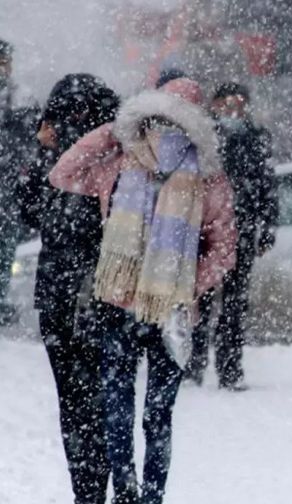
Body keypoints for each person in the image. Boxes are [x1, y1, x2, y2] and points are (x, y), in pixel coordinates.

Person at [50, 77, 237, 504]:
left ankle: (128, 490)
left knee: (118, 407)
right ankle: (150, 495)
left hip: (118, 302)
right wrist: (186, 286)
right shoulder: (209, 177)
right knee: (158, 415)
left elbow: (63, 172)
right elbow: (224, 249)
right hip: (171, 312)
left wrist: (116, 130)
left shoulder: (120, 161)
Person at [17, 73, 119, 504]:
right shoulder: (109, 151)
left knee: (80, 404)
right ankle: (97, 487)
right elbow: (29, 208)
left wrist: (43, 152)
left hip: (78, 291)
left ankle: (90, 489)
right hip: (89, 292)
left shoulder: (94, 157)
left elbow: (32, 210)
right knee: (95, 400)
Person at [184, 81, 277, 390]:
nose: (233, 110)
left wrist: (267, 227)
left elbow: (267, 185)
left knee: (235, 305)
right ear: (215, 104)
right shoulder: (201, 138)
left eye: (239, 103)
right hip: (206, 233)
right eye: (227, 103)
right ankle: (194, 364)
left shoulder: (255, 139)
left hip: (241, 231)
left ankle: (230, 368)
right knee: (201, 300)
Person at [0, 38, 36, 324]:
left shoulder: (22, 97)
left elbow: (29, 141)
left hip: (8, 185)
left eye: (6, 62)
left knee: (5, 245)